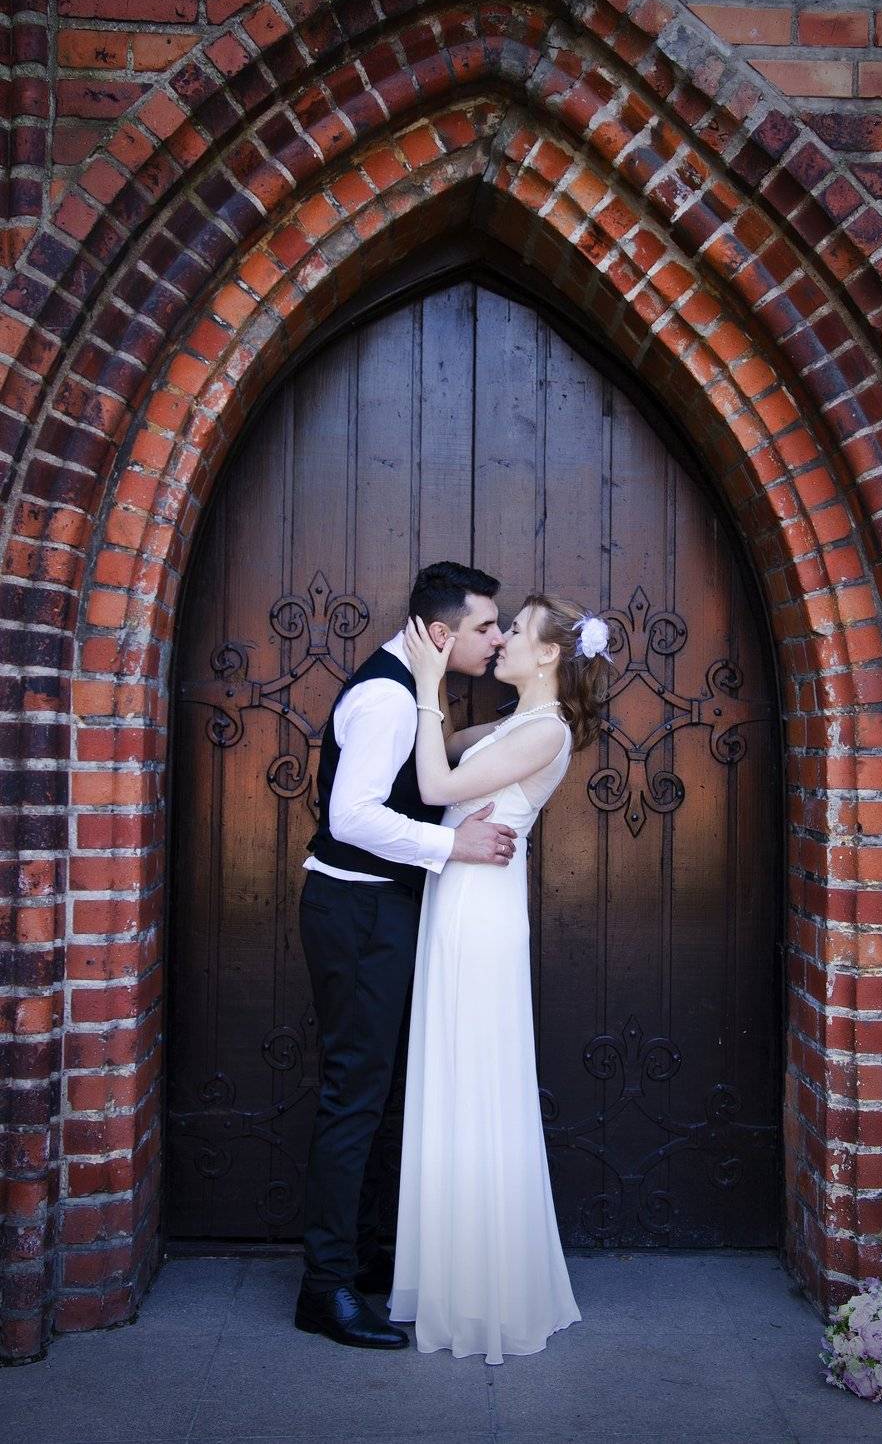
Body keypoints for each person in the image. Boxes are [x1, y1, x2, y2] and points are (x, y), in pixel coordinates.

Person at [294, 563, 520, 1351]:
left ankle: (359, 1261)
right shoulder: (388, 698)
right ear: (440, 632)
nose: (496, 639)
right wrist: (452, 846)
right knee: (354, 1096)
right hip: (356, 913)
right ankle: (324, 1288)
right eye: (485, 627)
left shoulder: (413, 689)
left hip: (377, 912)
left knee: (376, 1092)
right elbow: (351, 817)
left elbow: (419, 776)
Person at [388, 592, 612, 1363]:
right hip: (458, 900)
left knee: (477, 1078)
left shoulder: (546, 732)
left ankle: (484, 1291)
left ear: (548, 653)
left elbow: (434, 787)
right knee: (455, 1076)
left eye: (515, 631)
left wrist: (426, 685)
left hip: (479, 914)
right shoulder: (517, 723)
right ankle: (452, 1276)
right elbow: (451, 748)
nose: (503, 640)